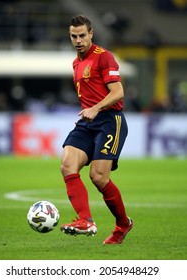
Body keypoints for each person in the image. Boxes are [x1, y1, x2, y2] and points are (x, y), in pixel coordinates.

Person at [60, 15, 133, 245]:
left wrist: (96, 108)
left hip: (110, 119)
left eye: (82, 35)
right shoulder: (76, 63)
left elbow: (118, 92)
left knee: (98, 177)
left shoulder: (104, 57)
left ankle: (123, 224)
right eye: (74, 36)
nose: (78, 40)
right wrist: (89, 111)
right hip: (88, 121)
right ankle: (85, 221)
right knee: (67, 164)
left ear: (91, 33)